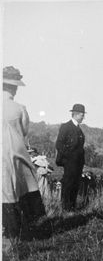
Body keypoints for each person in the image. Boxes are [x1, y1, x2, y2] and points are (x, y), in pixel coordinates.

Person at [2, 66, 45, 239]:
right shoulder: (19, 108)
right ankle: (18, 232)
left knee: (5, 191)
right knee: (19, 189)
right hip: (14, 154)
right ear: (14, 87)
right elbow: (23, 131)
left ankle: (8, 232)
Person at [55, 103, 86, 211]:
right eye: (82, 115)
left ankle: (72, 207)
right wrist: (69, 157)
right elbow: (59, 144)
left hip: (78, 163)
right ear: (76, 114)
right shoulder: (66, 127)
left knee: (75, 184)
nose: (83, 117)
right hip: (69, 162)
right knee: (68, 184)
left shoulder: (79, 130)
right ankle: (65, 208)